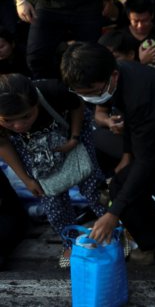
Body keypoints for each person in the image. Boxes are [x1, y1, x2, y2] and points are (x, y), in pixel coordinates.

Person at [60, 42, 155, 264]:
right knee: (128, 171)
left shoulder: (138, 90)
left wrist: (113, 215)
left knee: (121, 185)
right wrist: (126, 154)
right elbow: (131, 121)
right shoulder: (118, 75)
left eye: (93, 92)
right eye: (82, 94)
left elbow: (146, 159)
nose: (90, 98)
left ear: (112, 75)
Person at [0, 74, 107, 268]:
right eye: (9, 121)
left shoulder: (52, 90)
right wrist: (27, 180)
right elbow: (3, 144)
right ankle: (70, 242)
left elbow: (77, 106)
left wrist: (74, 138)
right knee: (52, 201)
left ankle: (113, 230)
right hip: (33, 149)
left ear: (36, 104)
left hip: (69, 133)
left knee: (94, 187)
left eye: (26, 116)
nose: (19, 125)